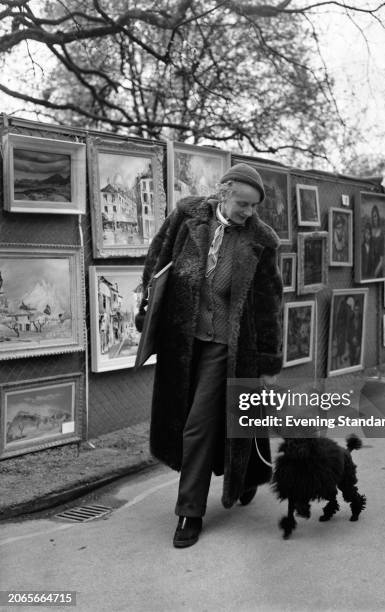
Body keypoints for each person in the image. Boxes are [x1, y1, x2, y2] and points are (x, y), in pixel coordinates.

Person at [136, 163, 283, 548]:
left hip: (227, 344)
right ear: (224, 191)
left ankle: (189, 512)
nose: (249, 212)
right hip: (183, 339)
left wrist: (268, 360)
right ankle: (249, 474)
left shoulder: (262, 240)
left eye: (254, 207)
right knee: (225, 416)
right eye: (243, 203)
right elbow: (157, 261)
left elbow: (269, 303)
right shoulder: (188, 215)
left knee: (198, 424)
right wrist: (145, 307)